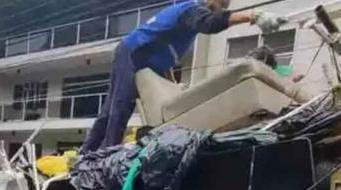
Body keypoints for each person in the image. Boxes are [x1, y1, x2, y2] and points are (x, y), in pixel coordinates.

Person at [82, 0, 288, 153]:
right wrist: (253, 16)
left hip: (145, 59)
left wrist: (173, 87)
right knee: (119, 107)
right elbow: (211, 23)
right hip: (133, 51)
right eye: (219, 6)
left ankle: (87, 153)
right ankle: (106, 155)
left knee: (110, 111)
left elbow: (166, 58)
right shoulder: (191, 10)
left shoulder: (186, 29)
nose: (219, 10)